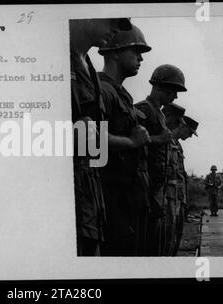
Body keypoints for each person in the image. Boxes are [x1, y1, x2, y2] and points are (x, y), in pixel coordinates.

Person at [70, 18, 132, 256]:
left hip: (92, 190)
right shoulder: (51, 59)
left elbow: (97, 143)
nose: (115, 29)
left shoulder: (89, 68)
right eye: (111, 21)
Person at [96, 25, 152, 256]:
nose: (140, 58)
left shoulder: (120, 94)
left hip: (128, 195)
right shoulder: (103, 90)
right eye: (135, 51)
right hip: (110, 196)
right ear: (115, 52)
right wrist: (131, 142)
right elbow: (89, 141)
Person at [135, 64, 187, 256]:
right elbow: (133, 145)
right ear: (161, 87)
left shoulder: (158, 113)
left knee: (159, 247)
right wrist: (159, 139)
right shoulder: (143, 110)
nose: (175, 96)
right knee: (147, 249)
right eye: (174, 90)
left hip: (158, 191)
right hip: (146, 191)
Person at [163, 106, 199, 256]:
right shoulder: (167, 141)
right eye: (190, 132)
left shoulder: (178, 145)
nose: (190, 136)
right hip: (169, 198)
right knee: (167, 240)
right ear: (182, 125)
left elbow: (181, 176)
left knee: (175, 238)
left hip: (178, 199)